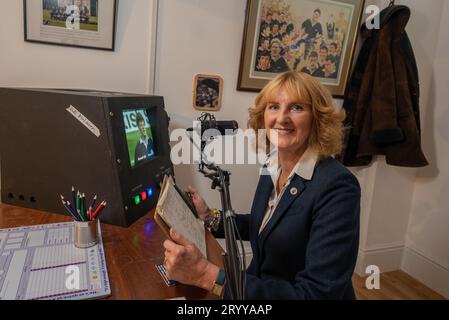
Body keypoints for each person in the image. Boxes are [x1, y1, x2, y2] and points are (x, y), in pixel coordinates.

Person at [163, 71, 361, 299]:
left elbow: (316, 294)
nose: (282, 117)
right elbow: (266, 226)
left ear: (317, 119)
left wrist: (205, 274)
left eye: (297, 107)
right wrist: (210, 217)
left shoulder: (338, 187)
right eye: (274, 106)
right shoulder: (273, 163)